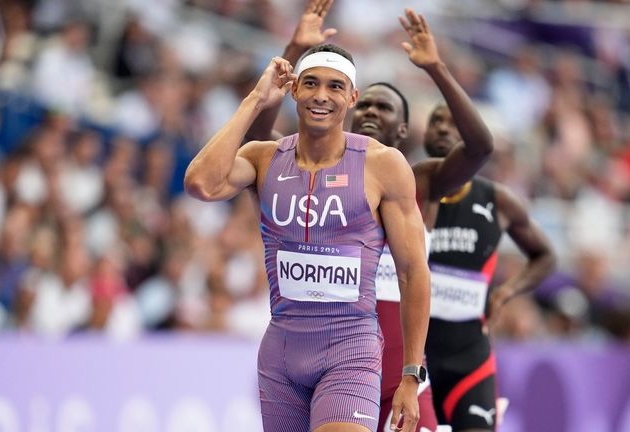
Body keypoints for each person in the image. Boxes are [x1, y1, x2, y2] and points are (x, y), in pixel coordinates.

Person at [247, 3, 495, 432]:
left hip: (395, 370)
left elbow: (479, 148)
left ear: (402, 132)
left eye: (384, 110)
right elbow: (252, 144)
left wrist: (436, 68)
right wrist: (297, 52)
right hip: (320, 356)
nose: (371, 115)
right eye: (367, 108)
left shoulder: (415, 179)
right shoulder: (298, 166)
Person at [185, 44, 431, 432]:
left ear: (352, 97)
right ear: (294, 90)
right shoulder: (263, 157)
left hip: (351, 350)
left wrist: (411, 373)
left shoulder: (383, 165)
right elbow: (200, 183)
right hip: (281, 354)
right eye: (311, 83)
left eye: (335, 87)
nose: (321, 95)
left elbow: (413, 272)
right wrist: (255, 99)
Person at [422, 103, 556, 432]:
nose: (441, 128)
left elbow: (545, 255)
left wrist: (506, 291)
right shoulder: (404, 188)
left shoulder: (498, 200)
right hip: (415, 356)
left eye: (452, 122)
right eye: (435, 121)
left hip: (469, 357)